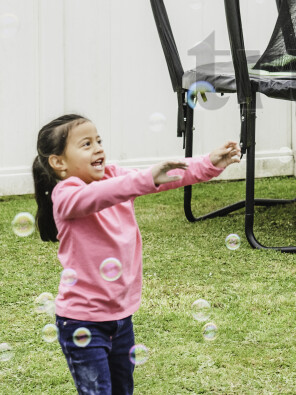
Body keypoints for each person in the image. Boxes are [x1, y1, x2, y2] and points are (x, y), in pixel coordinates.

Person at [32, 113, 242, 394]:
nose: (98, 149)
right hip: (82, 322)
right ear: (58, 162)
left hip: (121, 318)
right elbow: (103, 194)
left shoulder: (115, 176)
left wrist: (208, 163)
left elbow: (165, 176)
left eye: (99, 140)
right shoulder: (66, 195)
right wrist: (144, 179)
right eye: (86, 144)